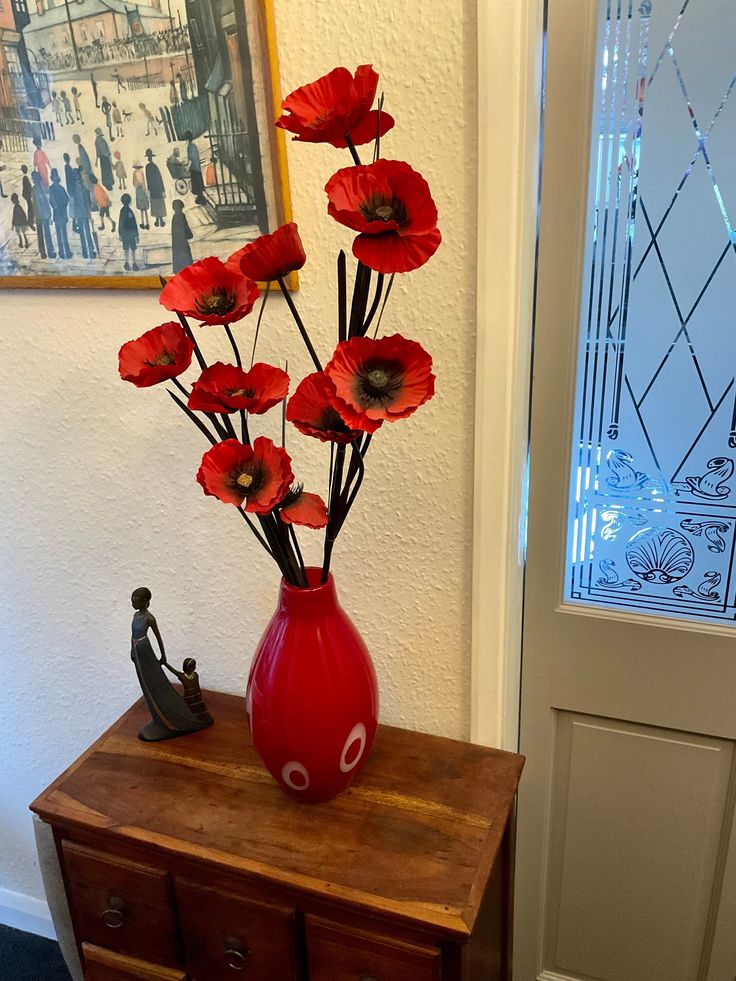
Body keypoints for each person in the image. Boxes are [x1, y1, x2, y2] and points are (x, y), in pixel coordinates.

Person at [129, 587, 209, 741]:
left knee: (151, 682)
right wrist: (131, 649)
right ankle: (157, 717)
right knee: (143, 681)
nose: (133, 602)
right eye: (132, 599)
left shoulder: (149, 618)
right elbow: (132, 635)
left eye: (136, 599)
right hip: (137, 650)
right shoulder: (135, 615)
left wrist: (163, 655)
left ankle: (165, 718)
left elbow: (158, 637)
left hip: (145, 650)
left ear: (145, 602)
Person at [162, 657, 213, 725]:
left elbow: (197, 686)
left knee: (200, 709)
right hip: (189, 697)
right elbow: (174, 671)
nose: (195, 667)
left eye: (195, 665)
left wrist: (200, 694)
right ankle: (192, 721)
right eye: (193, 666)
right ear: (188, 667)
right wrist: (165, 663)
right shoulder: (182, 676)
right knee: (190, 710)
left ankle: (201, 721)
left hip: (197, 696)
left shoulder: (195, 675)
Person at [72, 163, 96, 259]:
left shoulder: (75, 191)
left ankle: (85, 252)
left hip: (80, 215)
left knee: (83, 233)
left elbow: (76, 205)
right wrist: (90, 216)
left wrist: (76, 217)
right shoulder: (84, 190)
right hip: (84, 215)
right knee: (87, 233)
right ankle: (89, 251)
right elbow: (88, 204)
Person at [31, 170, 56, 259]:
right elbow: (44, 203)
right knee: (46, 234)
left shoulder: (34, 189)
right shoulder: (41, 189)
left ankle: (43, 252)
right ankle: (49, 252)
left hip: (40, 215)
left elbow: (34, 204)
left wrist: (34, 215)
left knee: (41, 235)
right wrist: (49, 215)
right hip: (43, 215)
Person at [49, 168, 72, 259]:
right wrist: (61, 206)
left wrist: (58, 206)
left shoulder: (53, 189)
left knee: (61, 233)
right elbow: (66, 200)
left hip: (59, 213)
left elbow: (53, 202)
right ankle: (64, 251)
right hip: (61, 213)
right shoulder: (60, 188)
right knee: (61, 233)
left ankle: (64, 251)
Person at [144, 148, 166, 227]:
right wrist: (163, 190)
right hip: (158, 188)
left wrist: (149, 189)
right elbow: (160, 178)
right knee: (159, 204)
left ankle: (157, 220)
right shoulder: (155, 167)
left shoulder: (147, 167)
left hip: (153, 189)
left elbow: (148, 179)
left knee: (155, 204)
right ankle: (161, 220)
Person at [171, 198, 192, 272]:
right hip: (182, 240)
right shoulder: (182, 215)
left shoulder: (174, 217)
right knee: (185, 254)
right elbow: (185, 226)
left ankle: (178, 269)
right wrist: (189, 235)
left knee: (177, 254)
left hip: (176, 241)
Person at [118, 192, 139, 270]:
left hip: (125, 234)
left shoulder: (122, 211)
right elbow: (134, 224)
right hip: (131, 233)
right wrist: (136, 234)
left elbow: (120, 223)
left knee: (126, 249)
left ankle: (127, 263)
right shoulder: (130, 211)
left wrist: (120, 234)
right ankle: (134, 263)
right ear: (129, 202)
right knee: (133, 249)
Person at [184, 131, 206, 205]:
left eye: (186, 139)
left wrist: (187, 167)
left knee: (197, 185)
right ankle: (200, 198)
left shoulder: (190, 147)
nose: (185, 141)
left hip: (194, 169)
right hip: (197, 168)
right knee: (198, 184)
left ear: (187, 139)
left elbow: (191, 159)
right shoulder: (193, 146)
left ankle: (201, 199)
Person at [63, 152, 78, 231]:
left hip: (70, 189)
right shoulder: (68, 168)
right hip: (71, 189)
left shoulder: (67, 167)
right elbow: (71, 179)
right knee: (73, 208)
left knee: (73, 208)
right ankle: (75, 226)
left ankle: (75, 225)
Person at [132, 162, 150, 229]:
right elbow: (144, 182)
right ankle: (147, 223)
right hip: (143, 190)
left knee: (141, 209)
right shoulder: (141, 173)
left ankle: (143, 223)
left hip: (139, 190)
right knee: (145, 208)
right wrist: (144, 188)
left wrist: (137, 185)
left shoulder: (134, 173)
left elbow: (134, 183)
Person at [20, 165, 35, 230]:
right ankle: (30, 222)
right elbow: (27, 187)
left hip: (27, 195)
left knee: (30, 207)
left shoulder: (25, 177)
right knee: (30, 208)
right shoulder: (25, 177)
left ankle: (31, 221)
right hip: (28, 195)